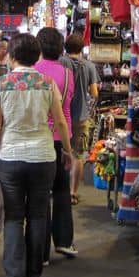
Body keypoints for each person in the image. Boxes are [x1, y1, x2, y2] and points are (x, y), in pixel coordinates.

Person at [0, 33, 72, 277]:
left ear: (11, 56)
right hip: (43, 156)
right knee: (37, 215)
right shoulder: (47, 84)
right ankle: (33, 276)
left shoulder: (1, 84)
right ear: (36, 57)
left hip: (10, 157)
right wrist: (68, 151)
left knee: (14, 216)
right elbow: (59, 122)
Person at [34, 27, 77, 262]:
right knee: (61, 190)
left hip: (38, 139)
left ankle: (41, 253)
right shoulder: (68, 73)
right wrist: (69, 147)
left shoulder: (31, 72)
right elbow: (66, 111)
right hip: (61, 138)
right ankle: (64, 241)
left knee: (40, 196)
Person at [60, 33, 100, 205]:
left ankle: (58, 189)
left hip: (61, 115)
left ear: (65, 47)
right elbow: (94, 93)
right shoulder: (89, 66)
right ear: (82, 48)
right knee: (78, 155)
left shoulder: (61, 62)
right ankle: (73, 192)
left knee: (60, 152)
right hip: (81, 117)